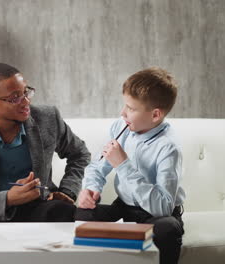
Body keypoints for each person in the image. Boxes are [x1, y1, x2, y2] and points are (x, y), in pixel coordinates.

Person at [0, 63, 90, 222]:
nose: (26, 101)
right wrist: (7, 198)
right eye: (15, 97)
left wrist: (68, 191)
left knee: (62, 210)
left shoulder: (48, 118)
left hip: (40, 207)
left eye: (26, 92)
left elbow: (80, 154)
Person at [75, 67, 186, 264]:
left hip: (155, 215)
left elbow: (163, 208)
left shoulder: (168, 147)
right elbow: (98, 165)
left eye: (131, 108)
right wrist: (91, 188)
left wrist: (123, 165)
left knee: (168, 228)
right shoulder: (121, 126)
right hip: (124, 207)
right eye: (124, 105)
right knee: (81, 213)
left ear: (155, 115)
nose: (123, 112)